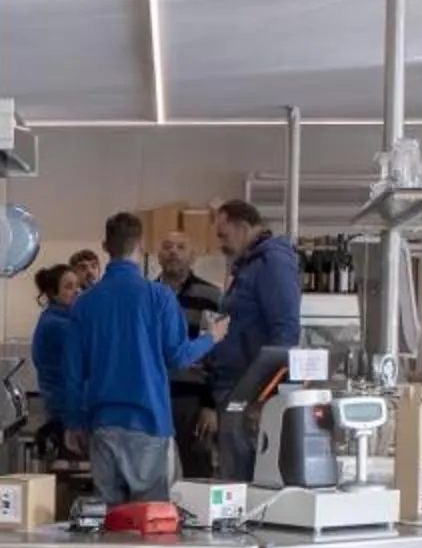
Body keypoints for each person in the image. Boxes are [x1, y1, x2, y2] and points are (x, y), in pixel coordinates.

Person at [65, 212, 217, 507]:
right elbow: (179, 356)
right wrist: (213, 337)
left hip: (102, 424)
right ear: (141, 246)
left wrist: (73, 422)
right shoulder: (158, 297)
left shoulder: (85, 303)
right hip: (149, 422)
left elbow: (72, 372)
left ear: (105, 246)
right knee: (151, 519)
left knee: (109, 517)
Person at [200, 197, 303, 480]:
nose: (221, 243)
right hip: (235, 390)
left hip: (251, 395)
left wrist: (265, 397)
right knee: (232, 481)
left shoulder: (272, 263)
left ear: (244, 227)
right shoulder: (246, 266)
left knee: (243, 484)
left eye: (224, 235)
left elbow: (285, 331)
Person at [154, 227, 222, 475]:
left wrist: (210, 405)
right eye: (167, 247)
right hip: (153, 399)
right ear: (158, 255)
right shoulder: (147, 297)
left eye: (181, 247)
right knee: (153, 474)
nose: (173, 253)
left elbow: (218, 353)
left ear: (193, 256)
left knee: (196, 473)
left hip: (193, 403)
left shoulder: (212, 297)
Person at [27, 264, 83, 459]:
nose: (76, 291)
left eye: (77, 286)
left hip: (64, 408)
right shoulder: (57, 325)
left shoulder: (62, 319)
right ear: (53, 293)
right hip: (66, 412)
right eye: (68, 286)